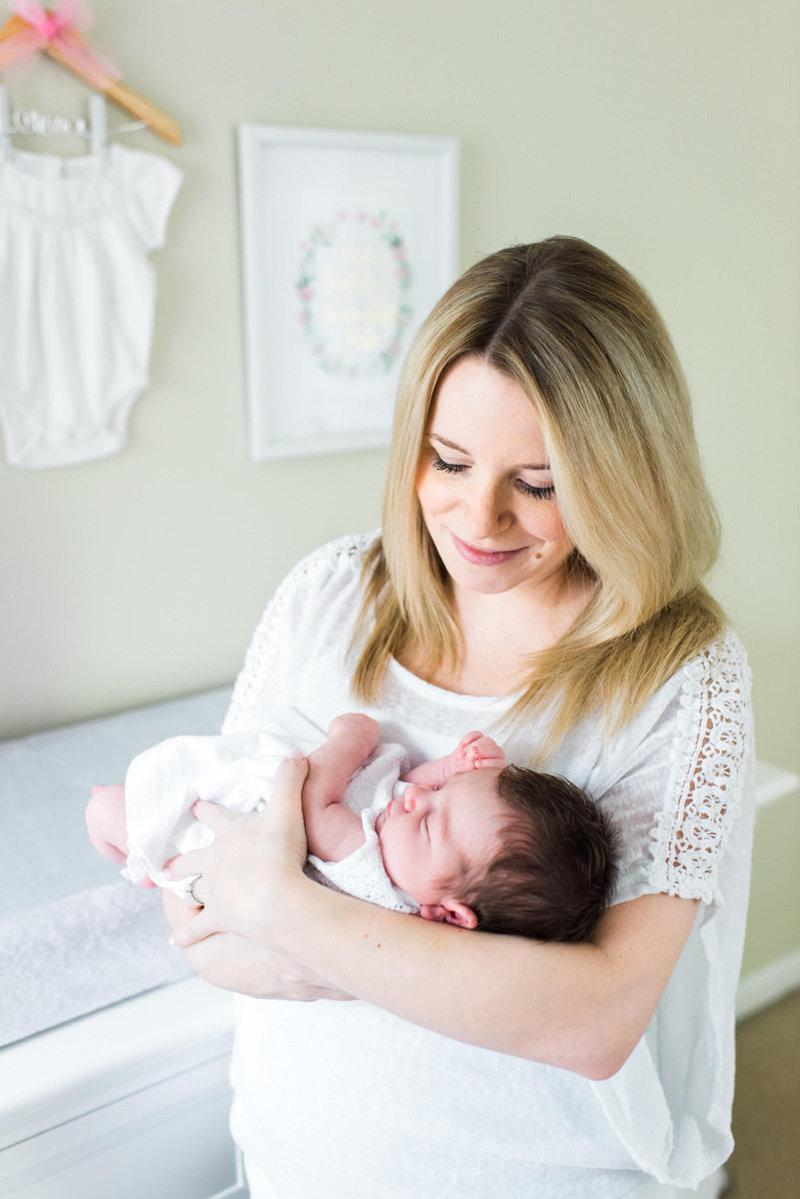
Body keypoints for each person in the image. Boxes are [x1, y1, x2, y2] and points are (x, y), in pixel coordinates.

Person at [162, 237, 754, 1199]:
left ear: (622, 478)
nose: (480, 519)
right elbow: (194, 888)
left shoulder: (679, 672)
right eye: (449, 459)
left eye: (540, 483)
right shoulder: (328, 594)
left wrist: (285, 910)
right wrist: (465, 973)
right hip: (293, 1164)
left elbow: (595, 1020)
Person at [86, 713, 616, 940]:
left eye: (431, 819)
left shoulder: (372, 876)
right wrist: (452, 770)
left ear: (451, 912)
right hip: (239, 846)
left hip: (240, 830)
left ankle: (124, 850)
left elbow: (311, 805)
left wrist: (353, 738)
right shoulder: (417, 857)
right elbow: (409, 783)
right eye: (437, 795)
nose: (415, 801)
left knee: (118, 810)